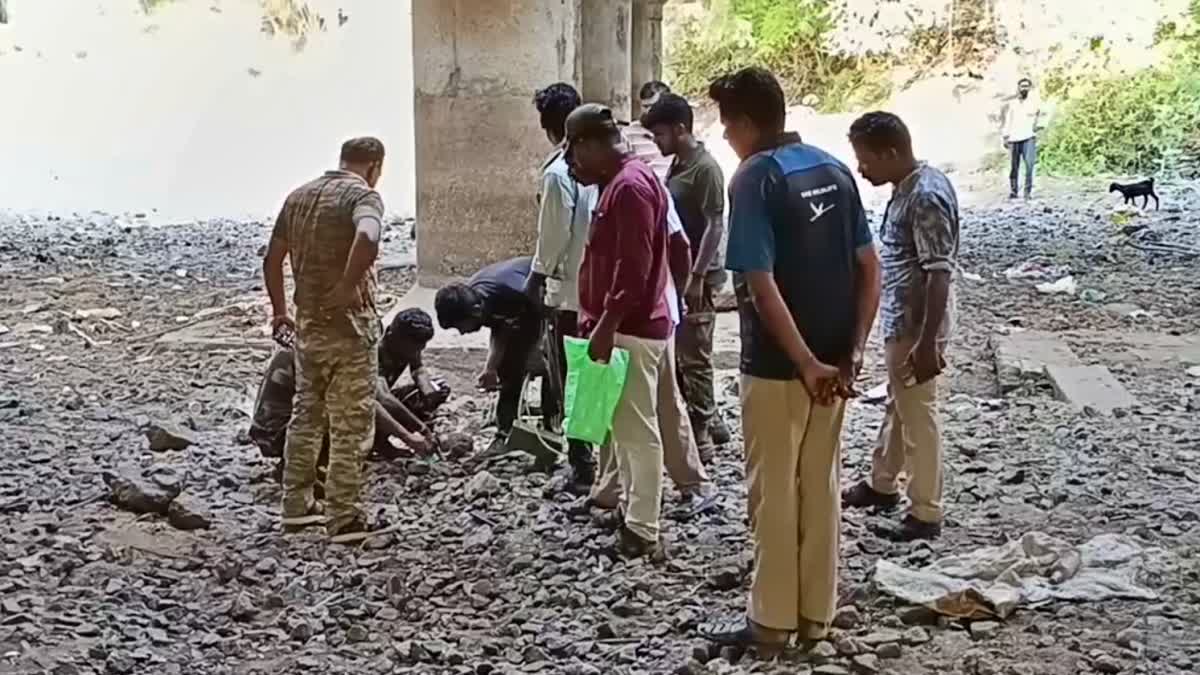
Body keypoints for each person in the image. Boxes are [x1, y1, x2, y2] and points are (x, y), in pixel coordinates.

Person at [699, 67, 881, 649]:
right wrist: (850, 352)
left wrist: (802, 360)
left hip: (783, 367)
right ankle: (816, 614)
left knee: (773, 491)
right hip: (836, 359)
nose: (726, 137)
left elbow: (758, 280)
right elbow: (869, 268)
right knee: (821, 485)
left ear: (748, 124)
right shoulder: (831, 167)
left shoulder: (754, 178)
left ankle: (772, 621)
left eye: (728, 126)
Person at [262, 136, 389, 543]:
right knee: (351, 424)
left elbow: (272, 257)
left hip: (308, 328)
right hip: (349, 332)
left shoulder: (298, 197)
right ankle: (343, 518)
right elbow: (368, 236)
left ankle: (296, 506)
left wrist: (280, 312)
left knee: (307, 416)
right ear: (375, 166)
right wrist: (348, 285)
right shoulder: (362, 196)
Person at [842, 111, 959, 543]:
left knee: (918, 416)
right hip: (903, 320)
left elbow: (938, 272)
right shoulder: (908, 187)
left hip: (916, 325)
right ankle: (882, 483)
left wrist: (927, 342)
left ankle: (927, 511)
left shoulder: (925, 195)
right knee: (901, 403)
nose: (861, 169)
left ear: (891, 152)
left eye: (866, 160)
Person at [565, 102, 673, 558]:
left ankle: (643, 529)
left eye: (574, 152)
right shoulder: (623, 182)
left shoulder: (629, 188)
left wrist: (606, 326)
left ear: (590, 144)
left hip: (629, 327)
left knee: (636, 430)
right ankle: (627, 507)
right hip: (627, 323)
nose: (571, 163)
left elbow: (633, 269)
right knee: (623, 427)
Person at [250, 309, 442, 484]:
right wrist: (410, 437)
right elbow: (366, 402)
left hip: (292, 421)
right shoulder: (332, 351)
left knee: (399, 398)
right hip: (275, 433)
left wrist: (421, 427)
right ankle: (296, 469)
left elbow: (379, 393)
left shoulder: (334, 339)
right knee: (346, 409)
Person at [642, 92, 728, 457]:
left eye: (659, 134)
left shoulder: (705, 168)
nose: (657, 143)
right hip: (680, 275)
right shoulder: (680, 163)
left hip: (698, 277)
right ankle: (710, 419)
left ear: (680, 129)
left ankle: (703, 430)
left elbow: (714, 224)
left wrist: (696, 276)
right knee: (682, 354)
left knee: (695, 356)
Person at [525, 82, 599, 494]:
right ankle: (595, 458)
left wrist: (537, 276)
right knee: (590, 374)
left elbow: (552, 236)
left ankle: (581, 461)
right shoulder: (599, 167)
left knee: (570, 375)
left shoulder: (558, 174)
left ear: (550, 125)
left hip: (568, 292)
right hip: (594, 288)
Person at [435, 256, 551, 456]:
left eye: (460, 326)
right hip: (522, 310)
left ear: (476, 311)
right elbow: (501, 327)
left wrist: (540, 347)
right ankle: (504, 435)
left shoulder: (516, 291)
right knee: (507, 371)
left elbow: (548, 314)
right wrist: (490, 367)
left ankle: (551, 433)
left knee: (549, 369)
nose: (462, 333)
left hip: (546, 300)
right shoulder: (474, 299)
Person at [622, 80, 674, 181]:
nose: (648, 111)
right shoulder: (628, 133)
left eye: (653, 106)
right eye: (645, 106)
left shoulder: (676, 131)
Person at [1001, 77, 1044, 199]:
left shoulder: (1034, 103)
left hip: (1029, 137)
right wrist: (1005, 136)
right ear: (1018, 88)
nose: (1024, 88)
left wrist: (1039, 126)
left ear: (1029, 88)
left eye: (1026, 86)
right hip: (1014, 138)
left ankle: (1027, 192)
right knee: (1014, 166)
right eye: (1022, 86)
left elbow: (1041, 115)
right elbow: (1008, 120)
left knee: (1030, 165)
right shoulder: (1012, 104)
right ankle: (1014, 191)